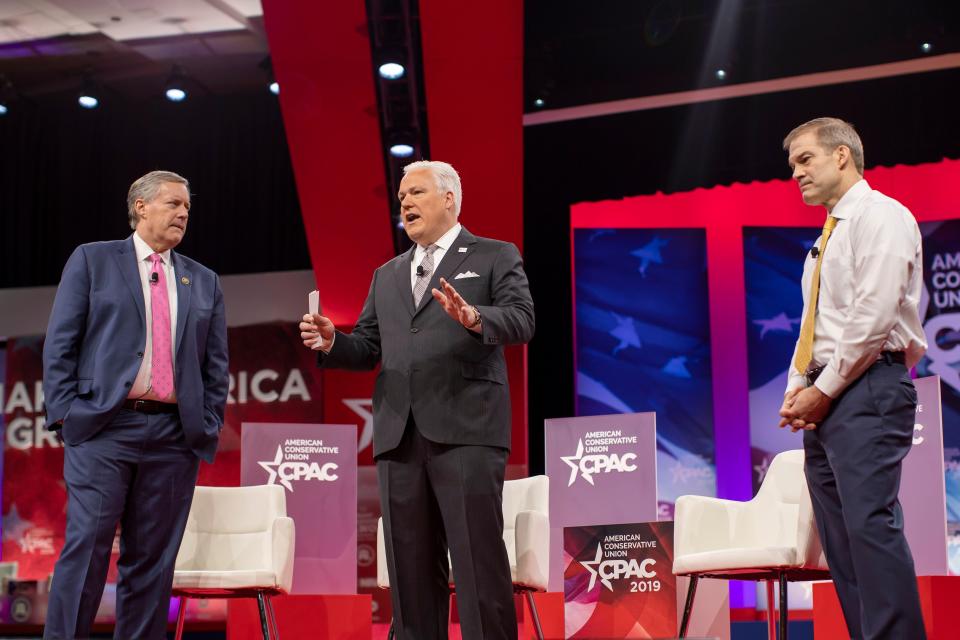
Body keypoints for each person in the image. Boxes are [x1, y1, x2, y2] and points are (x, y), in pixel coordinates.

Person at [299, 160, 534, 639]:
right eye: (401, 195)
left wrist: (473, 317)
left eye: (417, 192)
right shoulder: (387, 274)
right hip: (398, 436)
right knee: (409, 575)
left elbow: (522, 319)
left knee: (476, 566)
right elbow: (367, 346)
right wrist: (331, 342)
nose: (404, 202)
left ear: (448, 198)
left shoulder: (493, 254)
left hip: (468, 430)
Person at [42, 170, 229, 640]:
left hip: (173, 439)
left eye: (187, 206)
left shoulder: (203, 280)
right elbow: (60, 343)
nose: (183, 212)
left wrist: (205, 423)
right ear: (140, 207)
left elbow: (215, 367)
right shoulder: (93, 261)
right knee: (86, 550)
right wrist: (66, 414)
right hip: (104, 429)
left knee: (152, 563)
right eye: (172, 203)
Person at [778, 118, 927, 639]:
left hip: (867, 387)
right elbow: (813, 325)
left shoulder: (880, 216)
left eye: (804, 159)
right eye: (792, 165)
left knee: (869, 527)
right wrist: (798, 387)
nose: (796, 173)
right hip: (830, 396)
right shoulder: (823, 242)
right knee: (842, 541)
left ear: (842, 156)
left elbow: (873, 316)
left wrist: (824, 390)